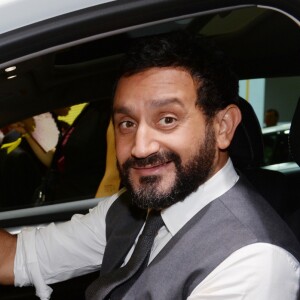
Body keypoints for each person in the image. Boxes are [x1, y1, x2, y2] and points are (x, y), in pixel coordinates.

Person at [0, 32, 300, 300]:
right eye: (127, 123)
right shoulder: (131, 208)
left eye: (167, 119)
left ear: (223, 127)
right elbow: (15, 257)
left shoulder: (253, 263)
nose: (140, 147)